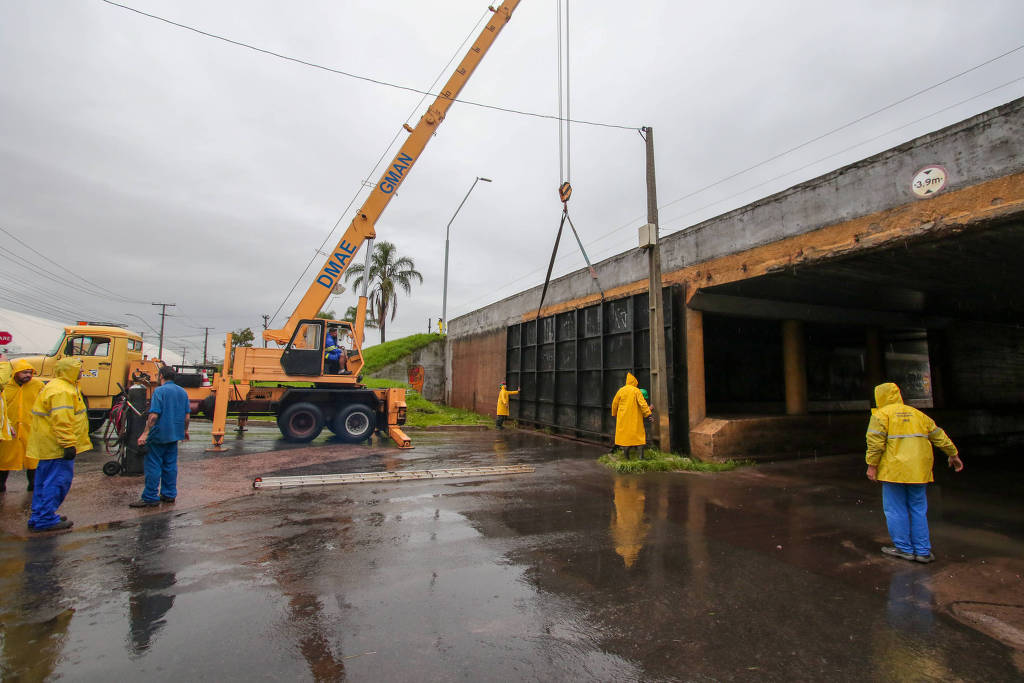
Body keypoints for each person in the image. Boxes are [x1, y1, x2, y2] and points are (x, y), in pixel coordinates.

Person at [865, 382, 963, 563]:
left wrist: (872, 466)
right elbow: (939, 436)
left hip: (894, 472)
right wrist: (953, 454)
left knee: (895, 509)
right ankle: (923, 551)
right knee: (918, 509)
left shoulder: (880, 416)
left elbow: (875, 443)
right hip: (918, 471)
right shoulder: (919, 415)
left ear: (880, 397)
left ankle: (904, 548)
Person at [27, 357, 92, 532]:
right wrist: (68, 444)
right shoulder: (63, 391)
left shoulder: (57, 386)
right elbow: (62, 421)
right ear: (69, 370)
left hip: (49, 445)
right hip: (58, 446)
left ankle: (40, 514)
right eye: (78, 369)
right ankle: (46, 518)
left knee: (43, 481)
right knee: (57, 482)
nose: (81, 372)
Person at [130, 366, 190, 508]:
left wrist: (145, 433)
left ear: (161, 375)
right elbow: (187, 416)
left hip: (158, 435)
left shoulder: (159, 391)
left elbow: (153, 416)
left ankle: (150, 497)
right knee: (170, 465)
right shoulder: (183, 392)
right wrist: (185, 430)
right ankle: (169, 494)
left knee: (153, 465)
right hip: (174, 434)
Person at [0, 359, 44, 492]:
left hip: (31, 429)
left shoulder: (37, 385)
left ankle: (33, 489)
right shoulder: (5, 386)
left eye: (30, 372)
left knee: (33, 461)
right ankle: (1, 487)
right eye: (24, 372)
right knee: (4, 461)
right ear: (15, 373)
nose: (28, 375)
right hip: (10, 430)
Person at [611, 372, 652, 459]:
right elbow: (643, 404)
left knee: (626, 439)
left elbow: (614, 404)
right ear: (634, 382)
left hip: (623, 418)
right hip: (635, 418)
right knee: (639, 438)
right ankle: (641, 457)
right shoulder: (636, 391)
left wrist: (614, 413)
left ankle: (627, 458)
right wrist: (648, 414)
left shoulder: (621, 390)